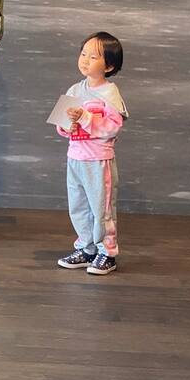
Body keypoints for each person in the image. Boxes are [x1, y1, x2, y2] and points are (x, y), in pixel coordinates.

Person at [56, 32, 127, 276]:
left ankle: (106, 252)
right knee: (78, 205)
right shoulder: (75, 89)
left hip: (98, 160)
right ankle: (86, 248)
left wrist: (85, 118)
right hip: (75, 158)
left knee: (101, 208)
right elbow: (61, 123)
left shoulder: (110, 93)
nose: (85, 60)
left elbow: (113, 126)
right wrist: (68, 125)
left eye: (93, 56)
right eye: (83, 53)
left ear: (109, 65)